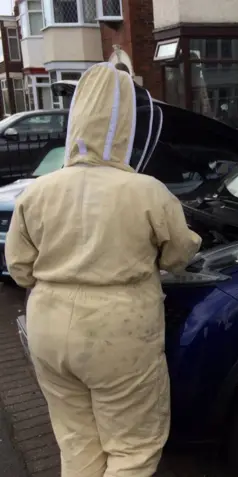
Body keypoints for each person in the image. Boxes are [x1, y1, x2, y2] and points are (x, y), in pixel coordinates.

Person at [5, 63, 202, 476]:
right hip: (118, 329)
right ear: (127, 125)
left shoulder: (36, 191)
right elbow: (179, 254)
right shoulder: (146, 190)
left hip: (48, 325)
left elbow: (19, 267)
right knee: (132, 448)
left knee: (76, 440)